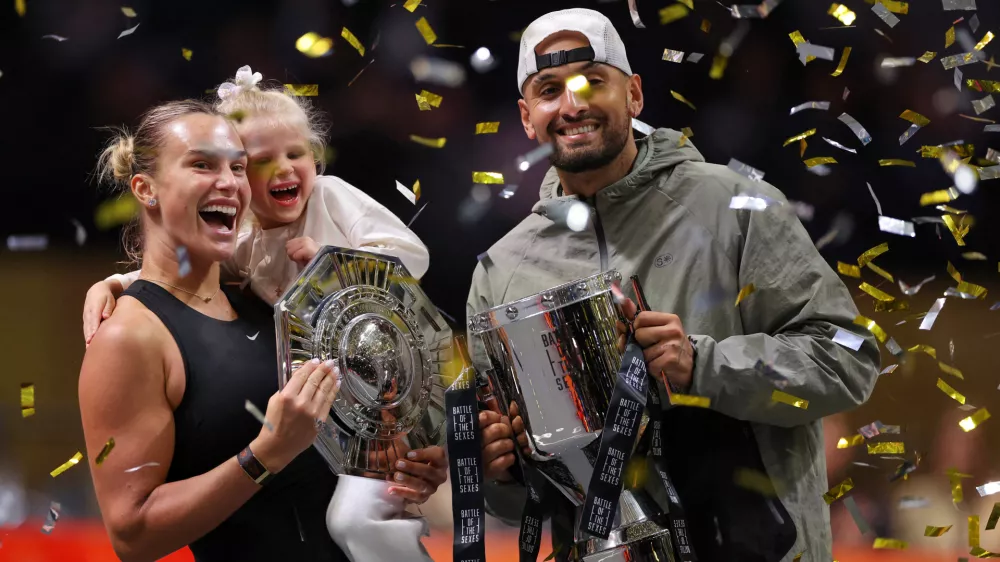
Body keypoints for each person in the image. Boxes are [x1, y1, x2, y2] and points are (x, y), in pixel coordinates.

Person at [467, 8, 881, 562]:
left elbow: (848, 361)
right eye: (549, 90)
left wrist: (703, 366)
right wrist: (499, 469)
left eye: (593, 80)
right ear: (526, 117)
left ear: (634, 95)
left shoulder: (735, 208)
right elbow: (522, 503)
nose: (573, 105)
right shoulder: (500, 273)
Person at [79, 100, 442, 562]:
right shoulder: (127, 335)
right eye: (202, 164)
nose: (229, 182)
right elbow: (132, 536)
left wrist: (402, 461)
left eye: (237, 166)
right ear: (145, 188)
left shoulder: (264, 298)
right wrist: (266, 453)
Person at [82, 65, 429, 343]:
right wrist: (113, 284)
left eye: (296, 153)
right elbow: (179, 276)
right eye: (262, 161)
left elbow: (412, 256)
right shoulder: (242, 246)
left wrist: (333, 262)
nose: (285, 167)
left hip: (399, 355)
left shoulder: (329, 195)